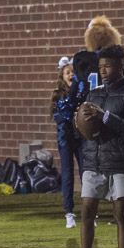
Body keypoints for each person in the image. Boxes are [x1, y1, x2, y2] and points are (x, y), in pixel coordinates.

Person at [68, 44, 124, 248]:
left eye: (108, 66)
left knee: (119, 213)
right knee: (87, 211)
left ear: (121, 66)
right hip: (94, 159)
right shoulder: (94, 93)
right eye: (100, 67)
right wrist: (77, 124)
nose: (103, 71)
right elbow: (85, 132)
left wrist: (104, 116)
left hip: (120, 160)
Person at [50, 56, 82, 228]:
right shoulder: (58, 94)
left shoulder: (80, 92)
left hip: (81, 138)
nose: (71, 75)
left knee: (86, 174)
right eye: (67, 72)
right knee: (68, 176)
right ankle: (69, 212)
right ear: (62, 76)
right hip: (65, 140)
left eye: (73, 72)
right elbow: (59, 116)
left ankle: (89, 212)